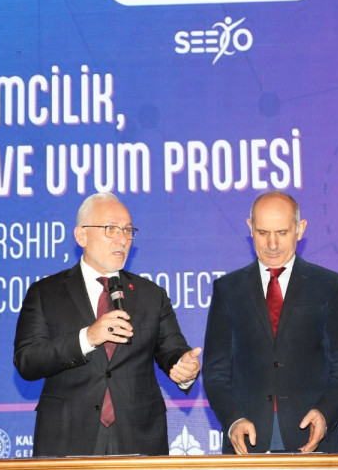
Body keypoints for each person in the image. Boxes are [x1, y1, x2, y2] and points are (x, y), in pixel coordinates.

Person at [14, 192, 202, 456]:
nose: (122, 239)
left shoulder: (151, 295)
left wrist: (184, 368)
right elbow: (28, 361)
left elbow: (173, 351)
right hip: (66, 436)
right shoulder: (45, 292)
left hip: (138, 437)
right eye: (111, 229)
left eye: (127, 230)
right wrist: (87, 338)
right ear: (81, 235)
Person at [203, 191, 338, 454]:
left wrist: (324, 413)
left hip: (314, 441)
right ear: (250, 228)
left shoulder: (329, 286)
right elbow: (216, 371)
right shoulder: (228, 289)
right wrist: (233, 420)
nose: (272, 244)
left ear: (300, 229)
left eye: (282, 232)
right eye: (263, 232)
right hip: (247, 445)